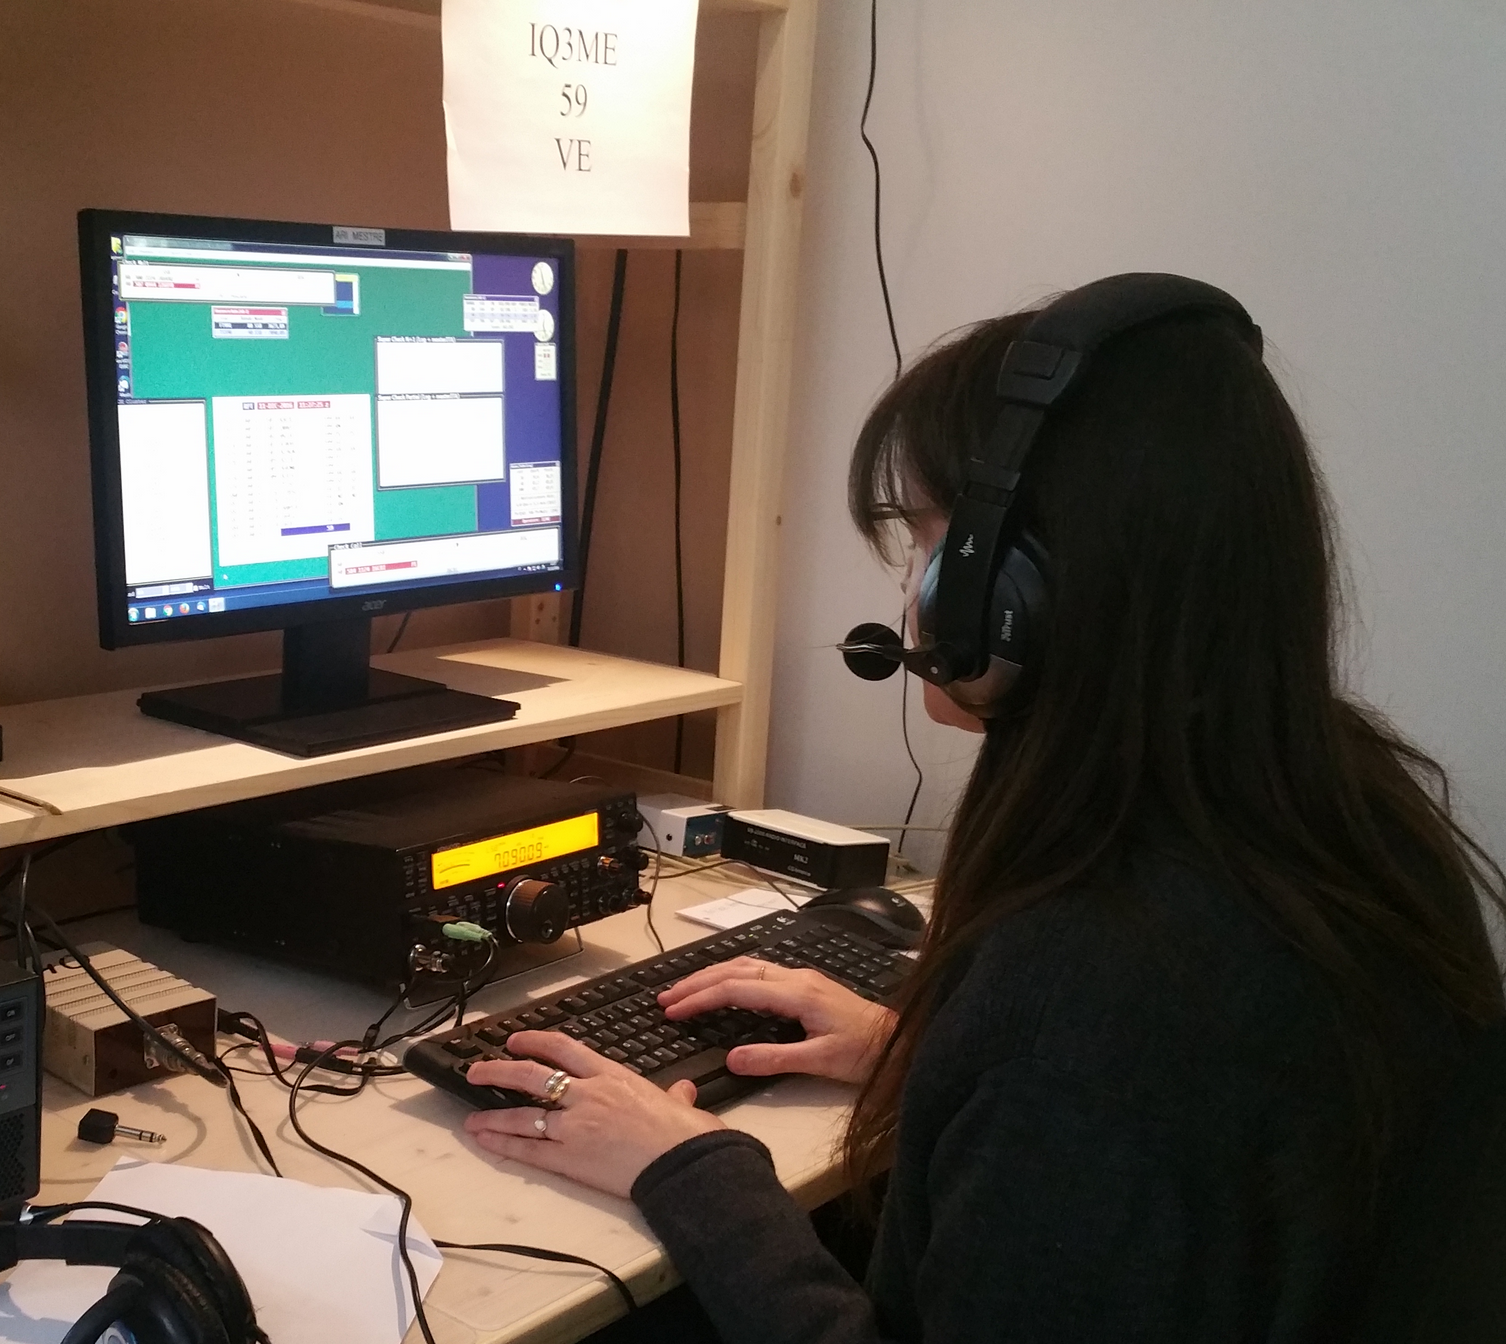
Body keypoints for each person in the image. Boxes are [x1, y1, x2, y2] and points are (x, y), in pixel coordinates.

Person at [458, 279, 1505, 1342]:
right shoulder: (1353, 814)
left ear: (1009, 597)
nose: (913, 592)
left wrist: (689, 1169)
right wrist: (927, 1055)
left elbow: (1101, 1101)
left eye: (928, 542)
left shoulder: (1092, 994)